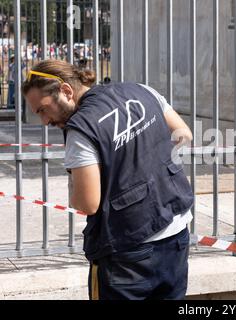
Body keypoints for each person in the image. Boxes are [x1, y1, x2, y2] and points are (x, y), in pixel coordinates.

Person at [22, 60, 194, 300]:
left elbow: (87, 203)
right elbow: (184, 135)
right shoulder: (142, 90)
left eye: (42, 109)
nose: (44, 121)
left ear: (66, 91)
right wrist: (148, 161)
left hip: (127, 253)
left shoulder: (80, 129)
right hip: (176, 236)